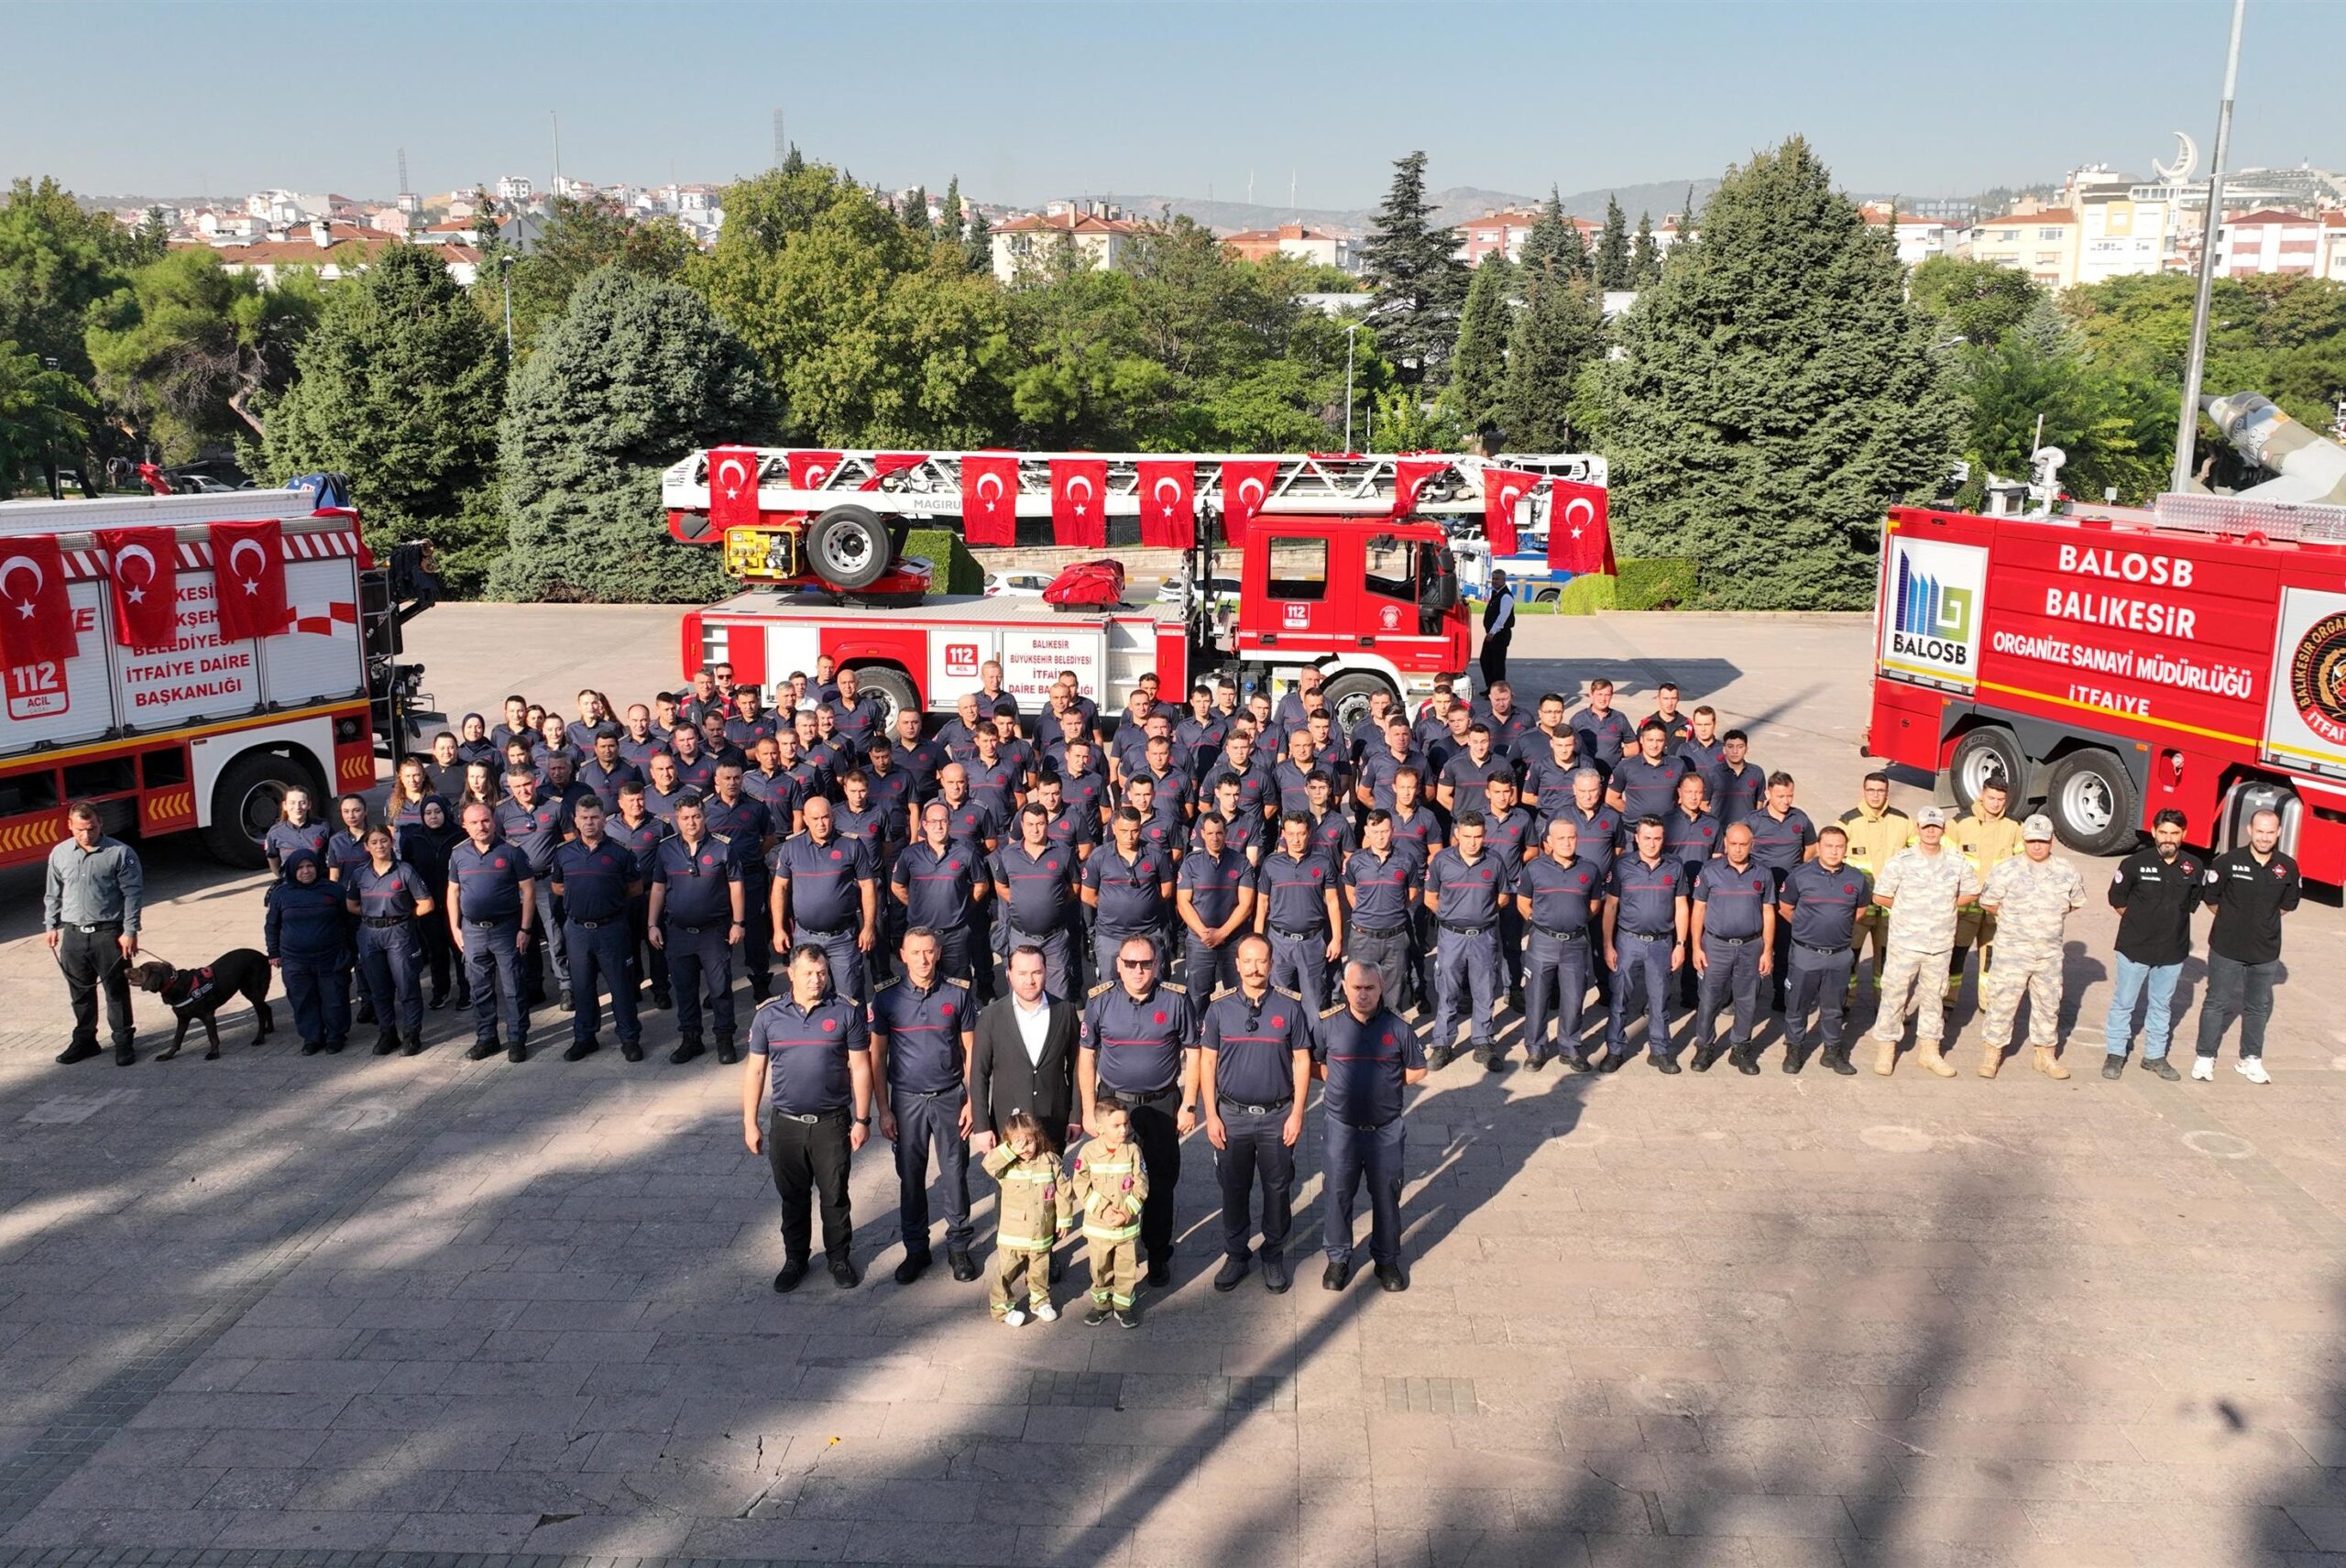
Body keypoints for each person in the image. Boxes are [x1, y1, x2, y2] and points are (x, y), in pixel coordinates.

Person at [743, 944, 874, 1292]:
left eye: (821, 973)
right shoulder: (769, 1016)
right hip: (786, 1124)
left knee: (834, 1195)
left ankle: (839, 1258)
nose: (816, 980)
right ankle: (795, 1259)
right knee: (793, 1197)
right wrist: (750, 1122)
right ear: (791, 974)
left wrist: (863, 1119)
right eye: (808, 973)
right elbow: (755, 1071)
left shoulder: (846, 1012)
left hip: (832, 1123)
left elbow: (861, 1067)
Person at [1079, 935, 1196, 1288]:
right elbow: (1087, 1056)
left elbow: (1196, 1050)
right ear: (1118, 965)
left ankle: (1158, 1254)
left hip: (1161, 1105)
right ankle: (1113, 1254)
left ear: (1157, 964)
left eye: (1145, 963)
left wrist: (1190, 1104)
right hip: (1115, 1104)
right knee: (1112, 1181)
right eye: (1130, 963)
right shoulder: (1100, 1000)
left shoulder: (1176, 999)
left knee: (1160, 1184)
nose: (1138, 970)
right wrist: (1088, 1110)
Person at [1200, 934, 1313, 1295]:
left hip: (1277, 1115)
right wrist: (1211, 1115)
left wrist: (1298, 1113)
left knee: (1278, 1189)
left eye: (1261, 961)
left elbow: (1301, 1060)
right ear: (1236, 965)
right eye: (1247, 961)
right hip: (1231, 1116)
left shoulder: (1289, 1008)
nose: (1253, 968)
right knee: (1233, 1189)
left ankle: (1273, 1254)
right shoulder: (1219, 1009)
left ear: (1271, 963)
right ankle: (1236, 1254)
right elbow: (1207, 1062)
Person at [871, 928, 980, 1285]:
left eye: (929, 952)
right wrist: (883, 1110)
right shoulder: (886, 999)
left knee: (954, 1175)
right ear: (902, 954)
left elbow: (971, 1051)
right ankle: (916, 1249)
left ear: (938, 953)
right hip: (906, 1100)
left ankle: (959, 1247)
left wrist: (973, 1101)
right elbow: (877, 1056)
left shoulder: (957, 993)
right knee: (911, 1178)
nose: (922, 959)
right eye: (915, 952)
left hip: (949, 1097)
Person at [1315, 961, 1427, 1293]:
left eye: (1370, 988)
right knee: (1337, 1194)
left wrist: (1386, 1086)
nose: (1363, 995)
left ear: (1381, 989)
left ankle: (1387, 1259)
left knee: (1387, 1195)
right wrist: (1339, 1085)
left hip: (1385, 1130)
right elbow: (1313, 1063)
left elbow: (1418, 1070)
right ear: (1345, 989)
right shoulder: (1328, 1026)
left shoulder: (1399, 1028)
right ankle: (1338, 1259)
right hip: (1341, 1129)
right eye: (1356, 988)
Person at [1973, 814, 2088, 1080]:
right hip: (2012, 952)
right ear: (2024, 841)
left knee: (2048, 1005)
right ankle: (1992, 1054)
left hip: (2048, 954)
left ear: (2051, 842)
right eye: (2032, 841)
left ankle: (2045, 1055)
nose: (2037, 846)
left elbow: (2074, 902)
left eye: (2043, 841)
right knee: (2002, 1002)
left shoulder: (2066, 870)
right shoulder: (2006, 869)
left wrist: (2045, 918)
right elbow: (1989, 902)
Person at [2191, 806, 2300, 1084]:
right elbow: (2211, 899)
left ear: (2279, 833)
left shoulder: (2287, 866)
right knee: (2216, 1003)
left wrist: (2260, 924)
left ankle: (2250, 1059)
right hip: (2227, 948)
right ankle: (2205, 1057)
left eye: (2270, 833)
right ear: (2250, 830)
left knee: (2257, 1007)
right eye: (2260, 831)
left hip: (2265, 952)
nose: (2264, 838)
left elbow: (2287, 905)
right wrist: (2234, 920)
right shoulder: (2226, 862)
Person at [1868, 807, 1979, 1078]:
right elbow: (1881, 895)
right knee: (1894, 995)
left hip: (1939, 945)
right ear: (1917, 829)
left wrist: (1947, 906)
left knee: (1934, 998)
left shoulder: (1956, 861)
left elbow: (1972, 891)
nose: (1931, 831)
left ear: (1943, 830)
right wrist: (1908, 909)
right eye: (1926, 826)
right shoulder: (1902, 861)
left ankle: (1930, 1052)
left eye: (1936, 827)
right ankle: (1887, 1048)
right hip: (1905, 943)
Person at [2103, 808, 2200, 1080]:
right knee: (2124, 1002)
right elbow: (2117, 901)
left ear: (2184, 834)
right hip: (2134, 948)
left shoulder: (2194, 867)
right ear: (2154, 832)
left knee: (2162, 1005)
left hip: (2171, 951)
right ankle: (2115, 1053)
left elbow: (2192, 903)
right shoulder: (2134, 863)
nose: (2168, 838)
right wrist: (2141, 922)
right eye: (2163, 832)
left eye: (2175, 833)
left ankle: (2155, 1056)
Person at [649, 795, 746, 1065]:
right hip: (678, 932)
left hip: (713, 932)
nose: (691, 822)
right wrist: (652, 924)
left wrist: (738, 923)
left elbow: (736, 886)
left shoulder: (723, 848)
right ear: (676, 820)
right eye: (685, 818)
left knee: (720, 989)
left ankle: (724, 1039)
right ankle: (691, 1039)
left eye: (696, 816)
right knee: (685, 990)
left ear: (704, 817)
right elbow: (658, 888)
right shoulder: (666, 849)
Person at [551, 796, 646, 1063]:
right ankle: (585, 1037)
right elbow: (557, 887)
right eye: (584, 818)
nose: (589, 822)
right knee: (582, 987)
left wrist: (605, 901)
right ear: (576, 821)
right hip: (578, 931)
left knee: (621, 986)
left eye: (594, 817)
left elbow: (635, 888)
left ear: (604, 819)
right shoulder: (563, 852)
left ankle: (629, 1038)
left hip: (611, 929)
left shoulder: (620, 852)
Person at [1777, 826, 1870, 1076]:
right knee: (1797, 1006)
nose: (1834, 851)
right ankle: (1794, 1049)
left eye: (1839, 846)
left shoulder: (1856, 878)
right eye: (1828, 846)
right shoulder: (1800, 876)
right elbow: (1785, 908)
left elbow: (1859, 913)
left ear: (1846, 849)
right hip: (1806, 953)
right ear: (1818, 847)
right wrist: (1808, 929)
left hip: (1839, 954)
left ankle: (1832, 1051)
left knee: (1834, 1008)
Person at [446, 802, 533, 1063]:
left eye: (485, 821)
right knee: (479, 988)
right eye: (473, 823)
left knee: (513, 987)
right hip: (472, 931)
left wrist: (525, 928)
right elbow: (452, 891)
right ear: (465, 826)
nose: (480, 826)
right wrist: (455, 927)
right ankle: (487, 1038)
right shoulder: (458, 854)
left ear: (494, 822)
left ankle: (517, 1038)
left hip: (505, 930)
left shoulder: (511, 852)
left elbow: (528, 890)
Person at [1601, 817, 1689, 1072]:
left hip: (1662, 944)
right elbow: (1611, 906)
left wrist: (1681, 944)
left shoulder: (1674, 866)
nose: (1652, 844)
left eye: (1657, 838)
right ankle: (1615, 1050)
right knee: (1620, 999)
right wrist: (1608, 944)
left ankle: (1659, 1051)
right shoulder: (1622, 866)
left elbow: (1682, 906)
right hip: (1628, 941)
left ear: (1664, 839)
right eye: (1647, 838)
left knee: (1659, 1001)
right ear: (1636, 838)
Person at [771, 795, 878, 1004]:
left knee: (850, 1000)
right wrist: (778, 928)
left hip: (843, 938)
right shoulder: (791, 848)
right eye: (815, 818)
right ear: (806, 819)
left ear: (833, 816)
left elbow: (868, 887)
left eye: (825, 817)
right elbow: (779, 888)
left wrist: (869, 927)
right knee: (807, 997)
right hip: (805, 936)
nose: (821, 823)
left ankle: (855, 1038)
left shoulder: (851, 845)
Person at [1688, 822, 1774, 1075]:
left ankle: (1741, 1047)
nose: (1737, 849)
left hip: (1751, 946)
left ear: (1752, 845)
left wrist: (1767, 950)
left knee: (1747, 1000)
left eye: (1743, 844)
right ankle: (1704, 1046)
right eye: (1733, 844)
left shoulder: (1762, 873)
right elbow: (1699, 910)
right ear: (1725, 843)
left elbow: (1768, 913)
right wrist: (1696, 946)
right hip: (1716, 946)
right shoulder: (1710, 871)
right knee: (1709, 999)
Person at [1424, 810, 1507, 1070]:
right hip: (1451, 938)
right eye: (1468, 836)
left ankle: (1483, 1042)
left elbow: (1503, 896)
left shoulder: (1494, 861)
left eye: (1478, 836)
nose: (1473, 842)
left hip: (1483, 937)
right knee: (1447, 992)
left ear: (1484, 835)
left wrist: (1481, 914)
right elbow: (1430, 898)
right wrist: (1451, 917)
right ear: (1457, 834)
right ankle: (1443, 1044)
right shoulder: (1441, 861)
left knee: (1484, 991)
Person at [1517, 818, 1601, 1072]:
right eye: (1561, 838)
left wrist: (1576, 920)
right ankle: (1535, 1049)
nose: (1567, 842)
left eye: (1572, 837)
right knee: (1537, 998)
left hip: (1575, 943)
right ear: (1549, 842)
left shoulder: (1590, 869)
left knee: (1574, 998)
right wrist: (1539, 922)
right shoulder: (1534, 869)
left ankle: (1571, 1047)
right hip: (1543, 941)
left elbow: (1595, 904)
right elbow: (1523, 901)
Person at [347, 825, 434, 1057]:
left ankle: (412, 1033)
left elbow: (426, 904)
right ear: (366, 847)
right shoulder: (360, 874)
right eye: (374, 842)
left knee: (407, 986)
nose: (379, 846)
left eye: (383, 841)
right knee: (379, 988)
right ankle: (388, 1033)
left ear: (391, 842)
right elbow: (352, 905)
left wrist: (403, 916)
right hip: (370, 935)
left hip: (400, 934)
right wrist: (373, 916)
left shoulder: (405, 871)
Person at [982, 1113, 1075, 1326]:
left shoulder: (1050, 1161)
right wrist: (1008, 1151)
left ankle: (1040, 1300)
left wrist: (1064, 1219)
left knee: (1040, 1270)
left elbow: (1064, 1192)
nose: (1025, 1147)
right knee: (1005, 1272)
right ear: (1008, 1143)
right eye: (1018, 1142)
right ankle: (1002, 1308)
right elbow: (989, 1164)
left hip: (1041, 1231)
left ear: (1038, 1138)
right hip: (1012, 1234)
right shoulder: (1007, 1164)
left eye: (1029, 1141)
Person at [1069, 1100, 1149, 1327]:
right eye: (1116, 1126)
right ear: (1100, 1127)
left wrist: (1127, 1211)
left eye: (1126, 1124)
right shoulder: (1088, 1152)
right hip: (1099, 1227)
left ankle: (1123, 1305)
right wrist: (1103, 1210)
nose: (1124, 1130)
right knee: (1099, 1268)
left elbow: (1141, 1184)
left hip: (1126, 1227)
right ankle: (1101, 1304)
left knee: (1126, 1269)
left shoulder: (1133, 1151)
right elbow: (1081, 1183)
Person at [1255, 812, 1342, 1017]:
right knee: (1279, 1002)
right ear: (1283, 833)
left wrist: (1337, 938)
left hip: (1312, 943)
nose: (1296, 839)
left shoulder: (1322, 863)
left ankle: (1314, 1048)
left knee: (1314, 1005)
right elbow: (1262, 903)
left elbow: (1332, 902)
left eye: (1301, 834)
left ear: (1309, 834)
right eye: (1291, 834)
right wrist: (1259, 941)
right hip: (1279, 943)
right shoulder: (1271, 864)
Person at [1836, 773, 1913, 1004]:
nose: (1876, 795)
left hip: (1891, 908)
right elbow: (1832, 858)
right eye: (1871, 790)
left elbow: (1919, 857)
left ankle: (1886, 1004)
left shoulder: (1903, 821)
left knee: (1888, 959)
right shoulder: (1847, 822)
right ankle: (1845, 1001)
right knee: (1850, 956)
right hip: (1858, 908)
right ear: (1863, 791)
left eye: (1880, 790)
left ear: (1887, 792)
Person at [266, 850, 350, 1056]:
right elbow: (272, 925)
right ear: (293, 870)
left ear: (317, 867)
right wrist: (273, 952)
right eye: (301, 867)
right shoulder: (281, 894)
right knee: (302, 999)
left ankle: (335, 1036)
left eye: (310, 866)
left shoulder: (334, 891)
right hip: (295, 960)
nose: (306, 871)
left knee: (334, 999)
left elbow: (349, 921)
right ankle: (312, 1037)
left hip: (330, 957)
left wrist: (350, 950)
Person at [1947, 780, 2025, 1003]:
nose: (1996, 804)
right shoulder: (1959, 823)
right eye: (1992, 798)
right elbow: (1945, 866)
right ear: (1981, 794)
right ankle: (1948, 1002)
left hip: (1995, 910)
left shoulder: (2014, 826)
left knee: (1991, 960)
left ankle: (1987, 1003)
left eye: (2001, 799)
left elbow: (2022, 867)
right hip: (1965, 908)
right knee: (1956, 956)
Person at [895, 802, 987, 986]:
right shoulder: (910, 854)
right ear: (925, 825)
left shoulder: (965, 852)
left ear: (950, 824)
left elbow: (981, 885)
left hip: (955, 934)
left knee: (959, 986)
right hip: (921, 934)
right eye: (934, 822)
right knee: (922, 983)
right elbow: (897, 886)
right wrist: (916, 905)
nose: (938, 826)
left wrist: (962, 906)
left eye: (943, 821)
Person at [1082, 807, 1174, 990]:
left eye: (1135, 830)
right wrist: (1112, 906)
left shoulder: (1155, 854)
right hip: (1111, 935)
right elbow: (1087, 895)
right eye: (1124, 831)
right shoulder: (1099, 856)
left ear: (1141, 829)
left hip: (1148, 932)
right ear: (1114, 829)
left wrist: (1144, 905)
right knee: (1109, 989)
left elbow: (1167, 890)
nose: (1129, 836)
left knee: (1153, 985)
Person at [397, 795, 465, 1011]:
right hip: (429, 907)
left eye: (437, 812)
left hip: (457, 905)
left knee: (460, 950)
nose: (433, 816)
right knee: (436, 952)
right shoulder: (414, 839)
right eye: (428, 813)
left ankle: (467, 991)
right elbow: (407, 870)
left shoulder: (460, 836)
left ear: (445, 812)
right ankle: (441, 991)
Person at [1178, 811, 1255, 994]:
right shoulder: (1190, 864)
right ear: (1202, 834)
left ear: (1226, 833)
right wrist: (1204, 933)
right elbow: (1183, 903)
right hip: (1199, 941)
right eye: (1210, 833)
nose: (1215, 838)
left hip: (1233, 939)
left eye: (1219, 833)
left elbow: (1246, 905)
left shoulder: (1241, 862)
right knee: (1197, 995)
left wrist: (1222, 933)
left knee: (1237, 994)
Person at [263, 786, 332, 880]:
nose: (297, 807)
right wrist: (284, 879)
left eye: (302, 803)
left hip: (320, 883)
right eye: (292, 803)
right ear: (285, 805)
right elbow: (273, 860)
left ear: (309, 805)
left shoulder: (323, 827)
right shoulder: (274, 833)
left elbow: (335, 857)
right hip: (290, 886)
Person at [1477, 568, 1515, 689]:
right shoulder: (1496, 594)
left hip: (1499, 634)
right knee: (1485, 661)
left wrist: (1493, 631)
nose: (1494, 581)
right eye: (1493, 579)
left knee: (1497, 664)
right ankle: (1490, 688)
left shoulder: (1506, 597)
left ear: (1504, 580)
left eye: (1497, 579)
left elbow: (1502, 616)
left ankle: (1499, 690)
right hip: (1492, 633)